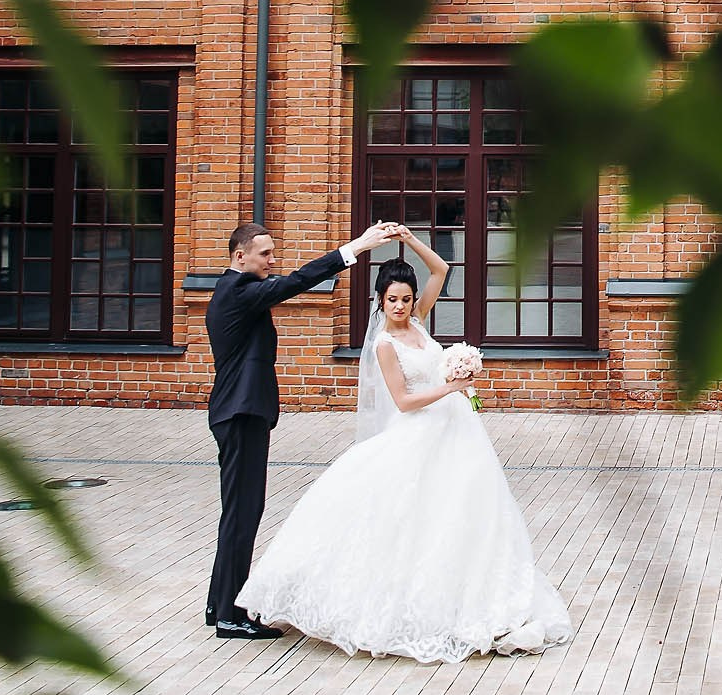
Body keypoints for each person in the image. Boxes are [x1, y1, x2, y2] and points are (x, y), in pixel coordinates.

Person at [234, 228, 574, 661]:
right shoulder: (385, 344)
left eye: (406, 299)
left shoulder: (418, 322)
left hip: (456, 433)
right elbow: (404, 401)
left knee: (468, 513)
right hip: (418, 432)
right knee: (415, 519)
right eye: (392, 300)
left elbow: (442, 268)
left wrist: (410, 239)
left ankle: (471, 594)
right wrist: (451, 387)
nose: (400, 306)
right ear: (380, 302)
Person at [204, 218, 395, 640]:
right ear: (241, 256)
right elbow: (297, 281)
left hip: (238, 411)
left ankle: (220, 603)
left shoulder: (232, 290)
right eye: (265, 253)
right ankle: (229, 616)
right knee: (243, 511)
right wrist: (357, 247)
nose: (272, 260)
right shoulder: (239, 292)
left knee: (238, 510)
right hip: (241, 413)